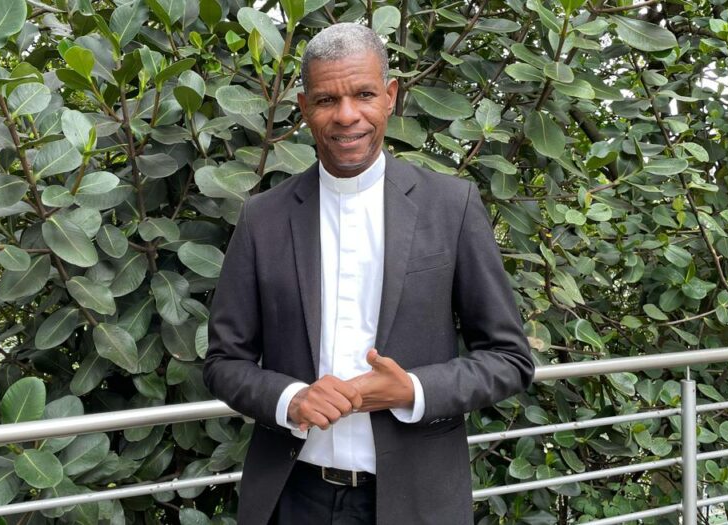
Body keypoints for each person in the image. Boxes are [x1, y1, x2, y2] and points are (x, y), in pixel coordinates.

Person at [203, 22, 535, 525]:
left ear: (390, 96)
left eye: (363, 94)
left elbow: (509, 359)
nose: (346, 116)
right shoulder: (262, 218)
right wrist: (291, 399)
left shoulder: (452, 207)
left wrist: (412, 390)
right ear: (304, 106)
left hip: (415, 502)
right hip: (291, 498)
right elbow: (224, 362)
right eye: (326, 100)